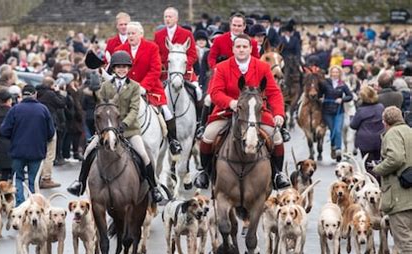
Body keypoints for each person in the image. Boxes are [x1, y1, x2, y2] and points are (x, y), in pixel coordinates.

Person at [193, 34, 290, 190]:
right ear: (233, 49)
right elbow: (215, 92)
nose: (241, 49)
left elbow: (274, 93)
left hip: (256, 113)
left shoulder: (262, 67)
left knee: (276, 137)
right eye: (238, 46)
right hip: (227, 111)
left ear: (251, 49)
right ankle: (204, 172)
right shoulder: (222, 67)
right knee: (208, 135)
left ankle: (278, 174)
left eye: (245, 46)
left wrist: (278, 114)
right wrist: (230, 102)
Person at [67, 51, 163, 202]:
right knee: (88, 150)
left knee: (144, 155)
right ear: (113, 68)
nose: (121, 69)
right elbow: (101, 105)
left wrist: (124, 124)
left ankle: (154, 188)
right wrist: (93, 90)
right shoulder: (105, 86)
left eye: (124, 67)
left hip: (129, 130)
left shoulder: (134, 87)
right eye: (118, 67)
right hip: (108, 129)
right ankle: (80, 183)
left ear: (128, 68)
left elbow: (134, 109)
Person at [114, 21, 182, 156]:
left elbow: (156, 69)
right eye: (128, 33)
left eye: (133, 33)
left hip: (150, 89)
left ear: (141, 34)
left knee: (167, 112)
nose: (130, 36)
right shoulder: (119, 50)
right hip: (126, 90)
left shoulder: (152, 47)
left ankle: (173, 141)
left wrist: (143, 86)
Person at [372, 106, 412, 254]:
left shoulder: (392, 133)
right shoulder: (409, 131)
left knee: (403, 240)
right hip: (409, 193)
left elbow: (396, 158)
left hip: (399, 195)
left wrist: (378, 169)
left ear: (385, 121)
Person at [0, 85, 55, 206]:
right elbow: (51, 132)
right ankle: (33, 205)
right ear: (35, 94)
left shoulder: (15, 109)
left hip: (18, 151)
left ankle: (20, 204)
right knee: (33, 181)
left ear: (22, 95)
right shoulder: (43, 109)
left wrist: (14, 137)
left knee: (18, 178)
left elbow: (4, 130)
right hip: (37, 151)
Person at [154, 7, 202, 101]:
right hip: (164, 73)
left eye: (170, 17)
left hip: (184, 72)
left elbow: (192, 55)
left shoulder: (187, 34)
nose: (167, 19)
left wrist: (182, 67)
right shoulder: (158, 35)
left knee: (198, 92)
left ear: (176, 19)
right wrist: (161, 66)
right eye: (165, 17)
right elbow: (156, 54)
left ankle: (199, 115)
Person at [320, 65, 353, 162]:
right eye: (333, 72)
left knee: (338, 130)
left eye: (337, 72)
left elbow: (350, 96)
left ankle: (338, 149)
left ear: (339, 73)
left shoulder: (342, 84)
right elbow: (319, 94)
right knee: (332, 130)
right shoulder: (325, 83)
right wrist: (321, 98)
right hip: (327, 111)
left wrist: (342, 99)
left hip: (339, 111)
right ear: (330, 73)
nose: (335, 74)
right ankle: (333, 146)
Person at [350, 86, 384, 178]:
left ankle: (371, 181)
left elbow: (353, 125)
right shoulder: (380, 107)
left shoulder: (361, 111)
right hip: (379, 139)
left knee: (368, 164)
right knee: (379, 162)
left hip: (365, 141)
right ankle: (379, 181)